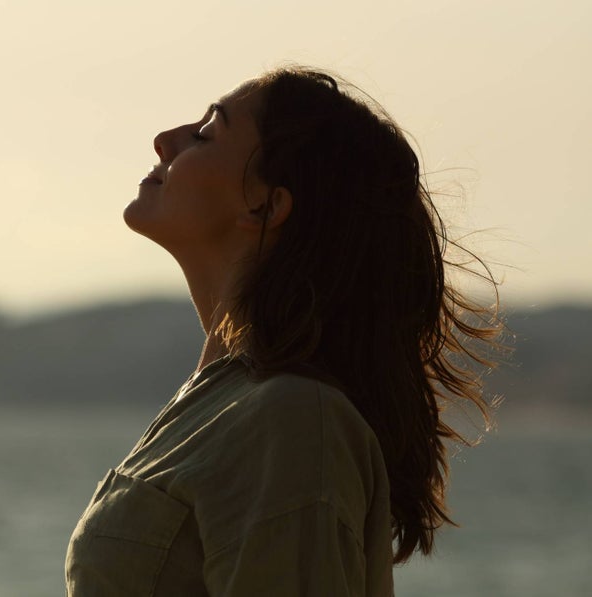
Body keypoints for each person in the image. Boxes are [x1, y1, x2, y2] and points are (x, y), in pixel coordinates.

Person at [64, 66, 505, 596]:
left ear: (267, 204)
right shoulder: (223, 403)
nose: (165, 141)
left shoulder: (292, 418)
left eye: (206, 134)